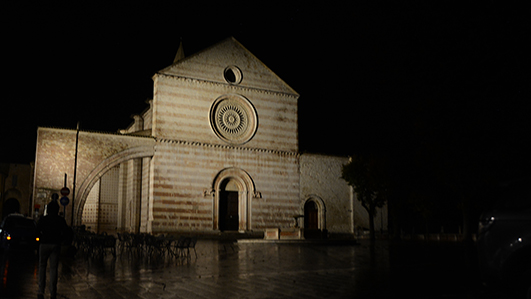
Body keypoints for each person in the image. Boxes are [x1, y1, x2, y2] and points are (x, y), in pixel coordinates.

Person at [36, 200, 71, 299]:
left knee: (42, 267)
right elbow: (66, 232)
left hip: (44, 244)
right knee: (53, 268)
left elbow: (37, 231)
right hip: (55, 244)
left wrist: (39, 240)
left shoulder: (43, 219)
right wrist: (61, 240)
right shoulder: (60, 220)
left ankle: (41, 290)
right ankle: (52, 291)